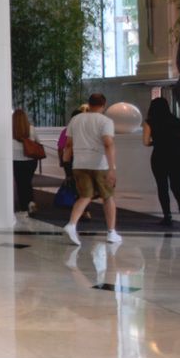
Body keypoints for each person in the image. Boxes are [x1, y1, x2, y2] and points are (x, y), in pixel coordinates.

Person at [63, 93, 120, 245]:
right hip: (99, 164)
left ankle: (72, 224)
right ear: (104, 105)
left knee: (85, 196)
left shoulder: (75, 120)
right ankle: (111, 232)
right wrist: (112, 168)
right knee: (107, 197)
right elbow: (108, 144)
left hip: (80, 164)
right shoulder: (105, 121)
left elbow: (68, 144)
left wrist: (66, 161)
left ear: (89, 104)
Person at [144, 96, 180, 226]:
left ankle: (167, 216)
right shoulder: (177, 121)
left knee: (162, 186)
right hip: (177, 158)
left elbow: (145, 142)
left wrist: (157, 141)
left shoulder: (150, 122)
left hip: (159, 157)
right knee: (177, 186)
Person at [10, 109, 43, 212]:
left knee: (20, 184)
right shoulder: (31, 128)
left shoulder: (10, 130)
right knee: (28, 182)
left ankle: (24, 206)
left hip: (16, 161)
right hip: (30, 160)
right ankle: (31, 202)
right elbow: (38, 142)